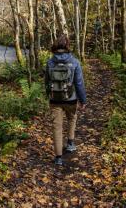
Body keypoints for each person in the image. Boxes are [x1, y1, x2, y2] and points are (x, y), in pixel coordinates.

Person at [44, 34, 86, 166]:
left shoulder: (50, 62)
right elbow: (79, 83)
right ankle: (70, 143)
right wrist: (83, 100)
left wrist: (48, 95)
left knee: (57, 127)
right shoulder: (74, 62)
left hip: (54, 99)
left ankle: (58, 157)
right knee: (72, 118)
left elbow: (46, 82)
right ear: (68, 46)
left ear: (56, 46)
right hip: (71, 98)